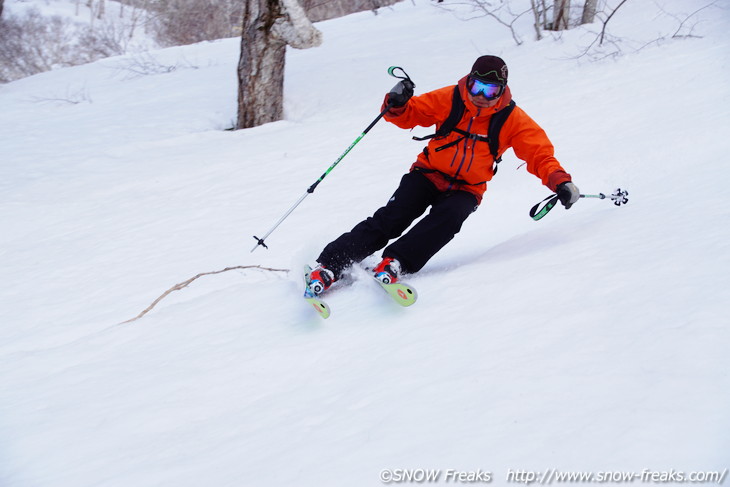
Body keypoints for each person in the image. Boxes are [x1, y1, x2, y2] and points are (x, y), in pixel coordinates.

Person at [306, 55, 579, 294]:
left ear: (502, 91)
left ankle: (397, 261)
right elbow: (408, 115)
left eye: (490, 89)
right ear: (468, 81)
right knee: (392, 218)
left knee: (447, 220)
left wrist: (560, 181)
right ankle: (330, 265)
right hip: (428, 172)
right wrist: (397, 102)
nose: (481, 95)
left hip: (467, 188)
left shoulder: (513, 119)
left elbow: (539, 154)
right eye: (476, 86)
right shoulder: (450, 98)